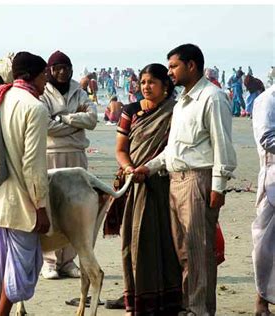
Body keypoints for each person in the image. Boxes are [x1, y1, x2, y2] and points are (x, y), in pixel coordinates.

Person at [134, 44, 237, 315]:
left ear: (191, 66)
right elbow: (174, 149)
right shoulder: (182, 102)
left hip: (198, 180)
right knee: (183, 250)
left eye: (173, 67)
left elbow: (222, 145)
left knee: (199, 252)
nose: (170, 73)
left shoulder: (212, 98)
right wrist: (150, 166)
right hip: (175, 180)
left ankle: (199, 309)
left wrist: (218, 186)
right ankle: (189, 305)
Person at [0, 51, 50, 316]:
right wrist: (40, 207)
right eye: (45, 76)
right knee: (16, 272)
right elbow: (34, 166)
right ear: (33, 76)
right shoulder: (34, 107)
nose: (46, 83)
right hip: (19, 206)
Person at [106, 63, 182, 314]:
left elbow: (174, 149)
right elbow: (120, 149)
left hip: (163, 181)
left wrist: (147, 169)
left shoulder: (176, 111)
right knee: (135, 239)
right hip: (134, 184)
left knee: (166, 241)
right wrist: (129, 169)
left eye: (152, 82)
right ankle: (138, 297)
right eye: (143, 82)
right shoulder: (131, 111)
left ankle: (168, 299)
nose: (146, 87)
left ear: (165, 85)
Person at [40, 50, 97, 279]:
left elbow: (92, 120)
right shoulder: (43, 92)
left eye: (66, 67)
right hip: (50, 153)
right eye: (57, 68)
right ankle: (50, 261)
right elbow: (45, 125)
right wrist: (75, 121)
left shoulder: (79, 91)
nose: (62, 72)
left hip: (76, 153)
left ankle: (68, 261)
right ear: (50, 70)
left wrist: (62, 118)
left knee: (75, 208)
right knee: (51, 206)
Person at [251, 84, 275, 316]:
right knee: (265, 244)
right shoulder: (267, 100)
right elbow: (267, 139)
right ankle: (261, 299)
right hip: (273, 180)